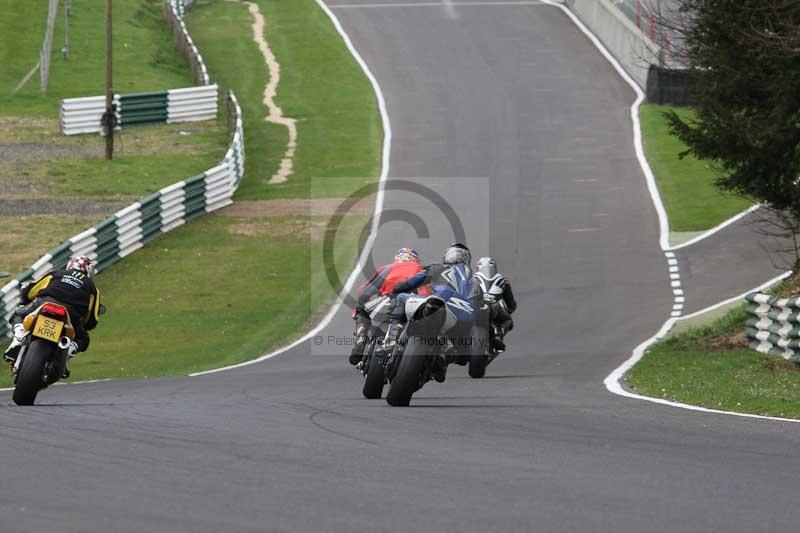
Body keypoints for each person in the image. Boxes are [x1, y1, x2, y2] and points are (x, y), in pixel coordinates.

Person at [386, 243, 482, 382]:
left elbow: (411, 283)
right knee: (464, 353)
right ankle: (443, 359)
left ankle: (392, 338)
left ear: (447, 256)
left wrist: (396, 288)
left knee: (401, 298)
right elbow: (480, 309)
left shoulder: (437, 267)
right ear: (467, 259)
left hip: (437, 305)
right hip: (462, 320)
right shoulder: (475, 281)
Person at [3, 256, 102, 372]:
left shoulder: (56, 273)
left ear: (69, 265)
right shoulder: (93, 289)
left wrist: (25, 298)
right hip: (71, 313)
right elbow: (92, 320)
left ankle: (18, 339)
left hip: (45, 302)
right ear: (89, 271)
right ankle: (66, 352)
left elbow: (31, 290)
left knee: (18, 314)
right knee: (83, 339)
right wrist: (83, 324)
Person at [348, 248, 425, 365]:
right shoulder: (421, 270)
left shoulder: (388, 268)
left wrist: (362, 301)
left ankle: (361, 339)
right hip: (413, 303)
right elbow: (426, 292)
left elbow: (364, 292)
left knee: (361, 309)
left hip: (389, 298)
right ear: (416, 260)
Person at [474, 256, 516, 352]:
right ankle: (498, 335)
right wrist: (509, 309)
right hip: (494, 308)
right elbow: (511, 304)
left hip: (474, 307)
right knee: (508, 321)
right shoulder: (503, 280)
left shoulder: (473, 278)